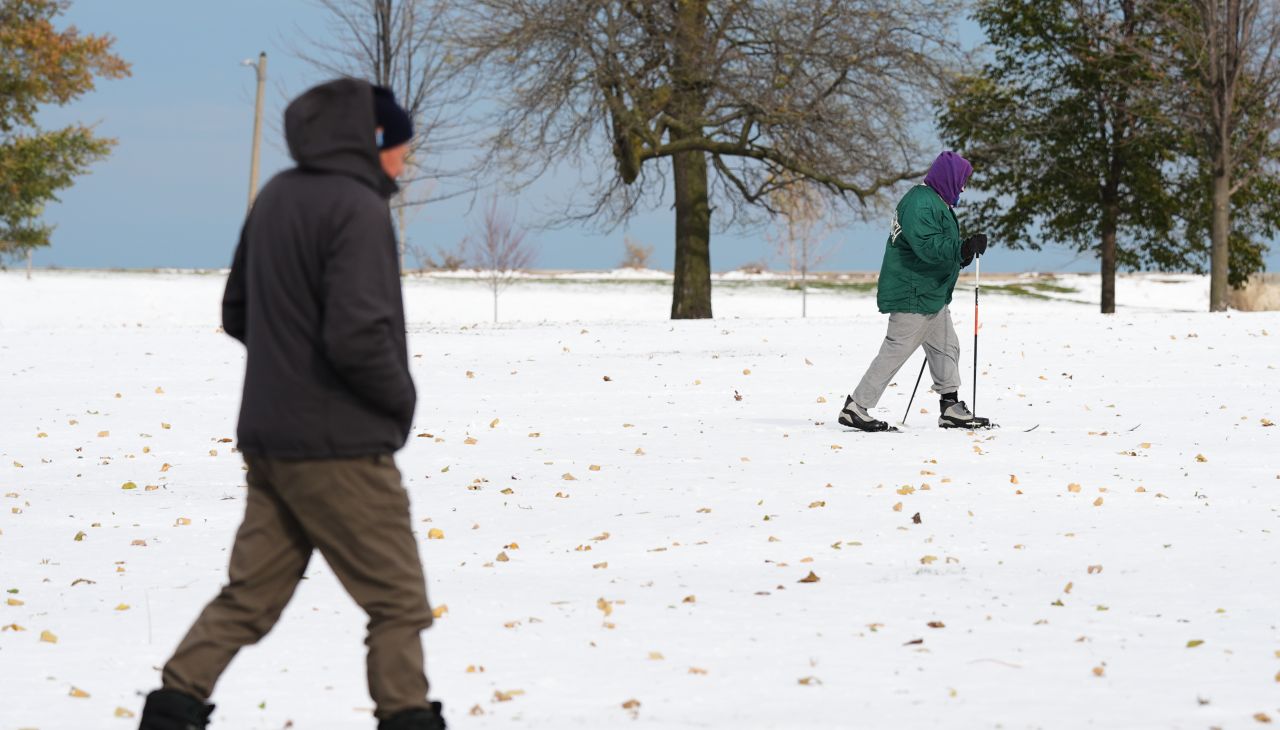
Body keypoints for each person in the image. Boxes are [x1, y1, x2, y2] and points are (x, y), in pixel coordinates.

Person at [138, 79, 445, 730]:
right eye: (403, 147)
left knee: (251, 595)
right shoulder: (358, 209)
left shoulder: (276, 196)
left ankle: (170, 712)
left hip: (272, 442)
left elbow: (238, 312)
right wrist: (400, 403)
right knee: (399, 601)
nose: (406, 161)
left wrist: (287, 372)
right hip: (341, 448)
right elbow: (358, 336)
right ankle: (408, 717)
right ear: (375, 141)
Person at [838, 150, 990, 432]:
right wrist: (961, 248)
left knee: (946, 347)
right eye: (961, 181)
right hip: (913, 292)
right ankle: (856, 407)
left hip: (931, 292)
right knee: (896, 350)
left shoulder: (936, 202)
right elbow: (928, 246)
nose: (963, 188)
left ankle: (950, 408)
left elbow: (939, 248)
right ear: (948, 178)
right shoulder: (920, 203)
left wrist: (964, 254)